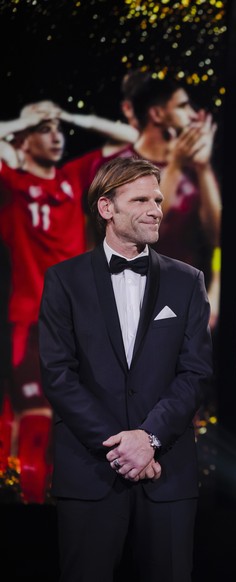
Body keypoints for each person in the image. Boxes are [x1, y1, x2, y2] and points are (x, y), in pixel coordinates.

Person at [38, 157, 213, 581]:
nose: (156, 208)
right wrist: (123, 449)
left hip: (166, 471)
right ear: (106, 209)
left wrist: (150, 439)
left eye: (158, 198)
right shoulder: (64, 280)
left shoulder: (187, 280)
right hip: (91, 471)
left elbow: (195, 373)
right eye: (141, 200)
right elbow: (59, 375)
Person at [0, 100, 137, 503]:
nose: (57, 135)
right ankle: (31, 512)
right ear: (24, 139)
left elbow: (129, 138)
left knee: (85, 422)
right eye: (46, 129)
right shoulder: (10, 182)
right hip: (30, 319)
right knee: (36, 424)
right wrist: (25, 120)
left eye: (60, 128)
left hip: (84, 318)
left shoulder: (73, 177)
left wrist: (70, 116)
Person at [84, 75, 223, 331]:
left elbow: (217, 236)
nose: (193, 115)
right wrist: (176, 166)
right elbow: (140, 223)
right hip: (121, 296)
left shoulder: (197, 169)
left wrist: (203, 169)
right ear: (157, 114)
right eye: (182, 106)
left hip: (182, 299)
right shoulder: (114, 165)